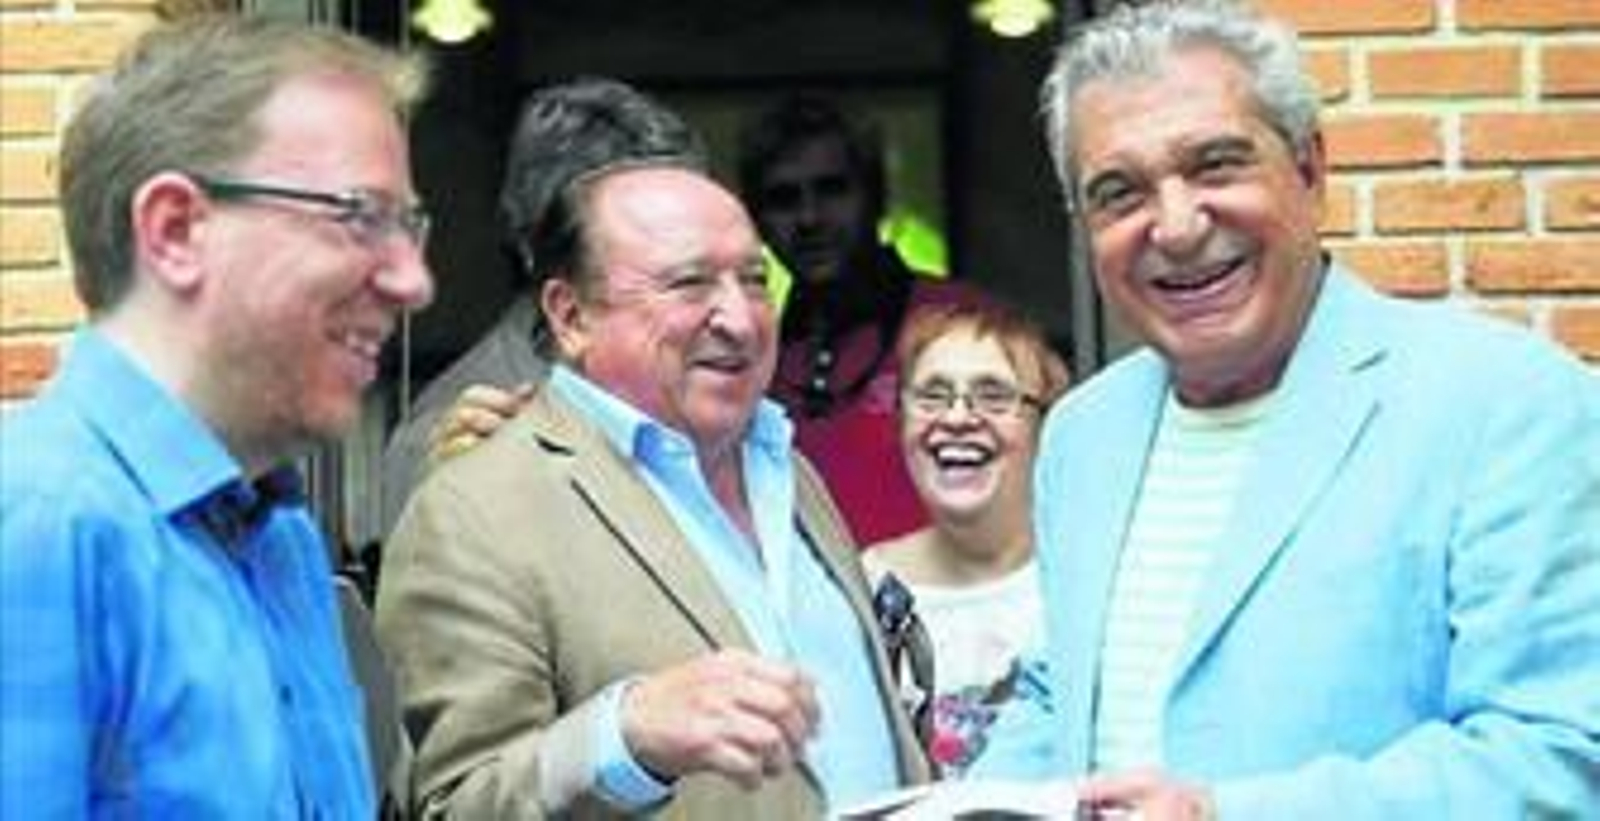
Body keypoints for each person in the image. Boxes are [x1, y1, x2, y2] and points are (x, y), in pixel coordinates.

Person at [973, 2, 1600, 819]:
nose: (1176, 226)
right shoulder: (1082, 433)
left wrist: (1226, 813)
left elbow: (1559, 757)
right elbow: (1059, 694)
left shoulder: (1506, 402)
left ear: (1309, 169)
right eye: (1119, 194)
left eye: (1215, 165)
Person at [374, 79, 928, 819]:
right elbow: (455, 805)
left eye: (754, 279)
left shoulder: (784, 465)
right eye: (689, 283)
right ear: (571, 315)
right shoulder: (473, 508)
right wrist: (623, 737)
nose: (740, 318)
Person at [0, 15, 432, 819]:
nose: (414, 281)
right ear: (175, 230)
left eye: (408, 225)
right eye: (361, 215)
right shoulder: (37, 526)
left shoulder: (277, 532)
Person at [378, 78, 708, 534]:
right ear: (536, 245)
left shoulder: (711, 392)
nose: (678, 259)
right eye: (640, 235)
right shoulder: (456, 436)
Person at [740, 94, 985, 546]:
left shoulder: (965, 323)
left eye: (832, 190)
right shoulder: (751, 358)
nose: (809, 218)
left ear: (877, 197)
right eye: (784, 199)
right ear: (758, 223)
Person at [863, 301, 1070, 778]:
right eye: (932, 397)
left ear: (1047, 426)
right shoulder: (862, 591)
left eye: (994, 397)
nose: (957, 418)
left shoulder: (1089, 582)